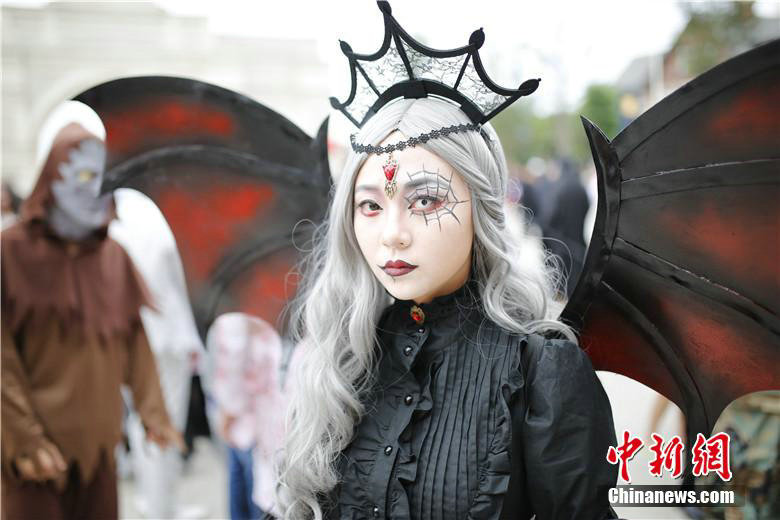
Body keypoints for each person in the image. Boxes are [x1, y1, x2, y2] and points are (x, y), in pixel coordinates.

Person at [276, 92, 618, 518]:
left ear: (481, 206)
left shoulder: (540, 369)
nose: (392, 234)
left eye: (424, 200)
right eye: (370, 205)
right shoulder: (345, 351)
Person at [1, 119, 181, 519]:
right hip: (32, 452)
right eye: (83, 174)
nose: (93, 188)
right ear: (52, 177)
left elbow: (134, 339)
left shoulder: (113, 255)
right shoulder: (9, 251)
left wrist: (155, 413)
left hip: (99, 449)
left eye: (103, 177)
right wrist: (24, 438)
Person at [109, 188, 206, 519]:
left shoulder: (119, 211)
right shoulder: (137, 210)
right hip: (159, 336)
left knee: (147, 425)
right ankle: (158, 507)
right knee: (158, 425)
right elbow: (164, 269)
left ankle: (159, 503)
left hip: (138, 337)